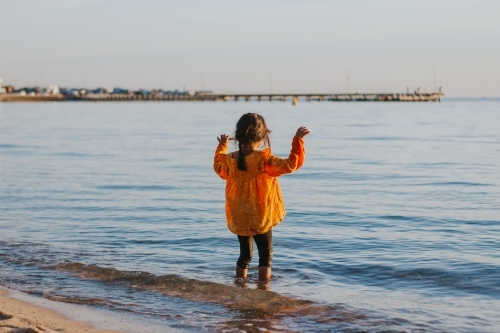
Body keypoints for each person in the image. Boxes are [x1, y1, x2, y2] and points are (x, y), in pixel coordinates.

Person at [213, 113, 310, 282]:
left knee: (245, 255)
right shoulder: (263, 160)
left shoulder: (230, 159)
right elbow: (290, 165)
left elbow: (218, 168)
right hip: (260, 215)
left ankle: (239, 286)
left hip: (239, 215)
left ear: (239, 134)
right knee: (265, 255)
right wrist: (298, 140)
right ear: (262, 136)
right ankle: (264, 289)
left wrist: (222, 146)